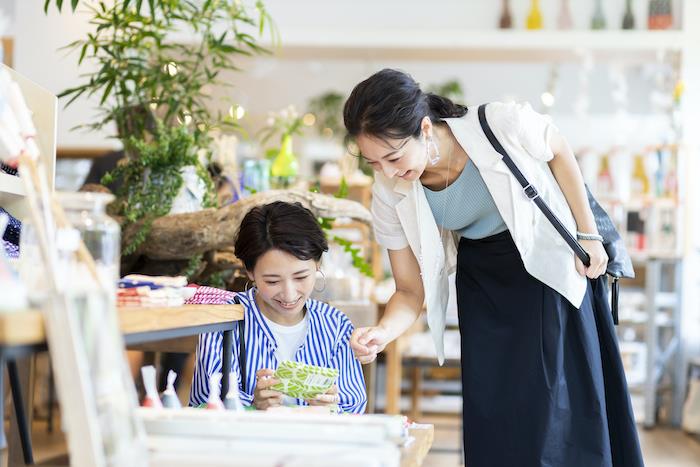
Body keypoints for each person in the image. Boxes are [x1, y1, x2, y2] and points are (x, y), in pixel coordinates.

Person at [344, 69, 643, 466]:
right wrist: (382, 332)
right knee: (494, 416)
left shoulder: (498, 123)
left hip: (545, 270)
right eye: (374, 162)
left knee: (557, 415)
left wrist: (588, 234)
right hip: (482, 281)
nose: (387, 171)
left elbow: (559, 149)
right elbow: (409, 290)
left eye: (394, 156)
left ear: (425, 129)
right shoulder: (388, 191)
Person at [189, 201, 367, 413]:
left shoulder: (334, 324)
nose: (289, 294)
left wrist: (331, 409)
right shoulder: (223, 319)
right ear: (250, 272)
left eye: (301, 277)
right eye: (273, 281)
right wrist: (253, 406)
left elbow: (354, 407)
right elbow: (204, 402)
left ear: (318, 263)